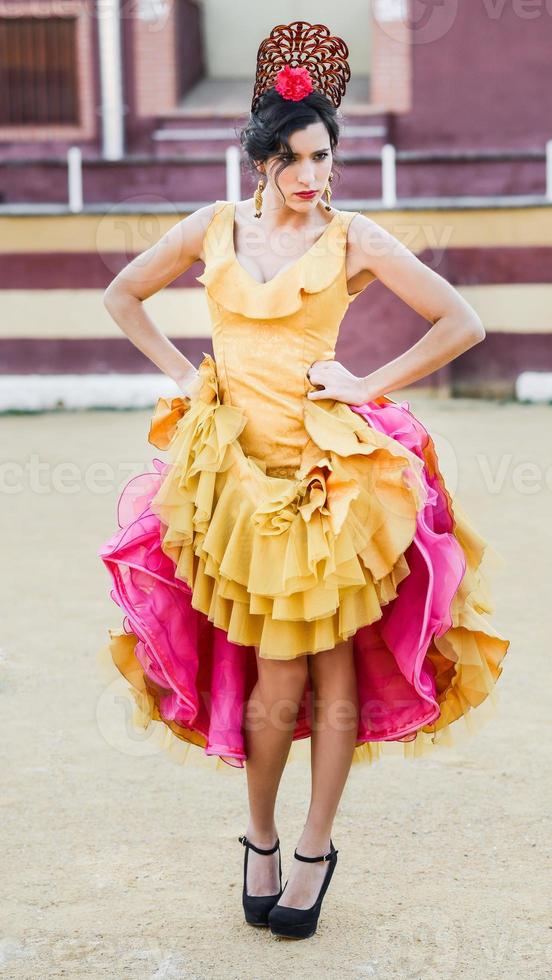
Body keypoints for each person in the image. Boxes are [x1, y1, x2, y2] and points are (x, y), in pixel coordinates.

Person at [97, 21, 510, 941]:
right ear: (260, 158)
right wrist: (182, 374)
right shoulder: (213, 229)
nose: (312, 176)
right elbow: (123, 294)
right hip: (237, 482)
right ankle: (259, 837)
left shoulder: (353, 237)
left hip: (331, 482)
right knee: (274, 680)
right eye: (293, 160)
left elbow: (461, 320)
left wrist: (366, 385)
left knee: (328, 677)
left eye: (322, 156)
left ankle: (314, 849)